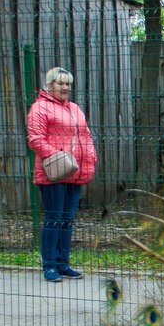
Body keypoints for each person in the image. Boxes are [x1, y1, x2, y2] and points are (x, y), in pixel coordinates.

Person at [27, 67, 97, 283]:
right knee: (54, 219)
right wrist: (60, 158)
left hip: (74, 172)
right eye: (61, 83)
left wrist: (91, 156)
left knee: (67, 219)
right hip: (53, 173)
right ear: (49, 85)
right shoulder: (39, 108)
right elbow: (35, 139)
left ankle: (63, 263)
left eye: (68, 84)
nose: (65, 87)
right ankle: (49, 266)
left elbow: (85, 135)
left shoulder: (75, 108)